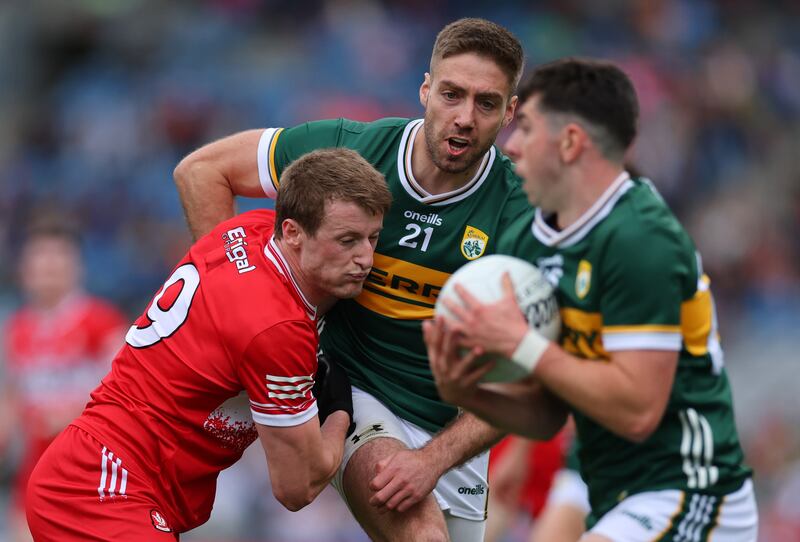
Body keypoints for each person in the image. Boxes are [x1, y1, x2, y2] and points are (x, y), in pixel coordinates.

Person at [174, 18, 531, 542]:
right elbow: (203, 171)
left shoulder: (526, 213)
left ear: (510, 112)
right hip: (352, 387)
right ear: (425, 90)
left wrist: (432, 460)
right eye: (451, 94)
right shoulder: (353, 150)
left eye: (486, 103)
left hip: (454, 430)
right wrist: (239, 316)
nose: (463, 117)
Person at [424, 58, 758, 540]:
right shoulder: (527, 238)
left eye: (527, 128)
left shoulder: (641, 238)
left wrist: (521, 343)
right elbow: (546, 416)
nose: (510, 146)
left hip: (689, 491)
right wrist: (465, 392)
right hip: (607, 490)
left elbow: (638, 413)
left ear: (570, 143)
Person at [25, 148, 392, 541]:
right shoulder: (275, 329)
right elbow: (296, 487)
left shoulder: (250, 228)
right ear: (292, 233)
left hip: (102, 474)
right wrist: (338, 412)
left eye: (372, 238)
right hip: (102, 487)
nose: (366, 258)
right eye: (347, 240)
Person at [0, 223, 127, 542]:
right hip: (34, 469)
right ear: (24, 270)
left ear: (77, 266)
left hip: (91, 470)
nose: (48, 267)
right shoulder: (16, 329)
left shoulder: (103, 322)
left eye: (58, 258)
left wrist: (73, 413)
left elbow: (127, 392)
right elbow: (12, 396)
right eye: (40, 259)